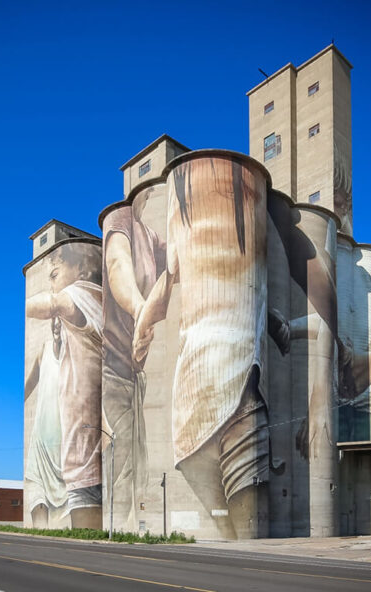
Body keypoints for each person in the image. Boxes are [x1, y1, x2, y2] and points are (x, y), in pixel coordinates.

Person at [133, 156, 269, 538]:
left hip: (190, 405)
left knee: (223, 531)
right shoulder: (252, 208)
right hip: (238, 391)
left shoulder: (179, 218)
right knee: (245, 535)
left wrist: (140, 332)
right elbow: (253, 286)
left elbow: (162, 290)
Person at [25, 244, 103, 529]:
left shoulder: (82, 295)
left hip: (80, 452)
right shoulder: (55, 341)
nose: (51, 284)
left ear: (81, 271)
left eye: (55, 274)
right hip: (62, 452)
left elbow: (51, 304)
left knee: (85, 530)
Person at [102, 187, 167, 527]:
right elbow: (116, 264)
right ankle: (116, 525)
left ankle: (129, 524)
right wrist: (141, 308)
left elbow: (179, 263)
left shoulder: (151, 236)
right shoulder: (120, 218)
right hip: (113, 371)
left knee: (138, 459)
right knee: (125, 450)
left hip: (133, 376)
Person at [24, 316, 67, 527]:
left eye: (62, 321)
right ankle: (39, 536)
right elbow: (29, 383)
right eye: (55, 321)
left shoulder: (77, 354)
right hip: (39, 445)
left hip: (64, 453)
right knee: (36, 501)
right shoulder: (44, 350)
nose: (57, 325)